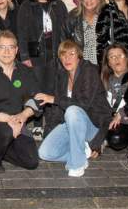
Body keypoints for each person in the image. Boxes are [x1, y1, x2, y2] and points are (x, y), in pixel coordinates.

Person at [0, 31, 43, 171]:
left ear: (16, 50)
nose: (6, 52)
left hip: (17, 121)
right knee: (6, 131)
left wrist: (22, 116)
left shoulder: (26, 72)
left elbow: (38, 99)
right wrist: (10, 120)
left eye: (11, 47)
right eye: (2, 47)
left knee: (31, 161)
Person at [37, 41, 106, 177]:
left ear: (79, 56)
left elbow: (84, 104)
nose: (67, 58)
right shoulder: (62, 75)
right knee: (45, 153)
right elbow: (56, 110)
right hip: (71, 124)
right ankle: (82, 152)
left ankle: (77, 164)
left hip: (93, 125)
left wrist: (54, 99)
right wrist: (49, 133)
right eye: (63, 55)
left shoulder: (89, 71)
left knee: (72, 110)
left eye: (71, 54)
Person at [17, 0, 68, 139]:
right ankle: (37, 125)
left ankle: (52, 124)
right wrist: (24, 56)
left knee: (53, 89)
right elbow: (21, 33)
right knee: (36, 90)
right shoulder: (26, 6)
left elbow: (66, 30)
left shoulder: (58, 5)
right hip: (35, 56)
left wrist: (66, 54)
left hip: (56, 55)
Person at [66, 0, 105, 65]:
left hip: (102, 67)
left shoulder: (105, 17)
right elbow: (65, 46)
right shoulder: (72, 17)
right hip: (80, 67)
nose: (89, 0)